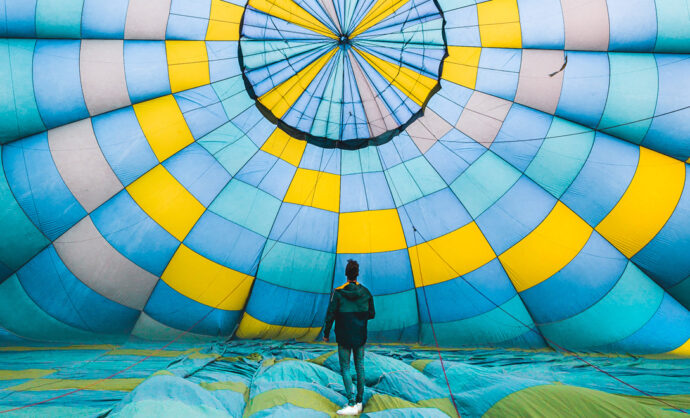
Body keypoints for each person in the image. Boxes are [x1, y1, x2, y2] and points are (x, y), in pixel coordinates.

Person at [323, 259, 375, 416]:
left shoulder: (338, 293)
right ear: (357, 274)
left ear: (346, 274)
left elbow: (330, 315)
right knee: (360, 367)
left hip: (344, 335)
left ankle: (351, 403)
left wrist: (326, 333)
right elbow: (372, 314)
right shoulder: (366, 292)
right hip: (360, 336)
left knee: (345, 367)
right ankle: (359, 402)